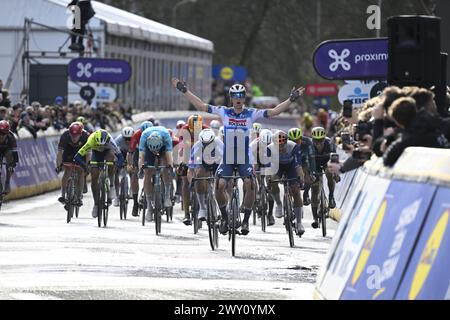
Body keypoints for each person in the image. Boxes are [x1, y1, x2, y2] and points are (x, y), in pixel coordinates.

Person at [172, 77, 305, 236]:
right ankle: (226, 218)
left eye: (241, 96)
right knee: (219, 186)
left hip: (244, 158)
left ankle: (245, 221)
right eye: (235, 96)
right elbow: (201, 105)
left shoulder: (251, 113)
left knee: (250, 184)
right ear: (231, 98)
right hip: (228, 158)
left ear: (244, 98)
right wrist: (184, 90)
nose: (238, 99)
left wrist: (291, 99)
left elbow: (274, 111)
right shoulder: (224, 111)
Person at [74, 129, 125, 217]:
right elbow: (77, 157)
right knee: (94, 179)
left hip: (107, 152)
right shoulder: (91, 140)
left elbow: (120, 157)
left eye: (103, 145)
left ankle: (111, 184)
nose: (101, 147)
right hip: (96, 154)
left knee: (111, 160)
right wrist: (85, 166)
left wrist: (117, 166)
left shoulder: (110, 141)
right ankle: (96, 204)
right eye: (99, 145)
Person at [267, 130, 305, 237]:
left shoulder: (293, 147)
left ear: (286, 142)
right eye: (278, 145)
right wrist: (269, 181)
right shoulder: (269, 149)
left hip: (291, 167)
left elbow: (298, 166)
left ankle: (299, 223)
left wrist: (301, 179)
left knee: (296, 191)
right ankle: (279, 204)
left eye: (282, 145)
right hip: (277, 167)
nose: (280, 148)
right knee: (273, 180)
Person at [176, 114, 209, 225]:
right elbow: (181, 149)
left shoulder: (206, 129)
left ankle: (205, 200)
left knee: (204, 175)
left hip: (203, 154)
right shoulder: (184, 130)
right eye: (192, 130)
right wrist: (183, 163)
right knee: (185, 182)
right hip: (188, 153)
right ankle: (186, 214)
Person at [138, 126, 173, 222]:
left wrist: (170, 167)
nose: (155, 151)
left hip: (163, 149)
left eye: (156, 149)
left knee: (166, 166)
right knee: (147, 173)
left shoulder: (166, 136)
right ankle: (149, 206)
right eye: (154, 150)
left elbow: (169, 156)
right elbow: (141, 157)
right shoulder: (144, 137)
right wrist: (141, 169)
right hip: (148, 150)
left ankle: (166, 196)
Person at [189, 128, 224, 221]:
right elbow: (191, 163)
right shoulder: (197, 145)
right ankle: (202, 207)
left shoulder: (219, 143)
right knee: (199, 174)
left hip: (217, 163)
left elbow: (226, 159)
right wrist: (192, 178)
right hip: (203, 163)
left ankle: (223, 205)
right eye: (204, 144)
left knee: (223, 181)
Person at [56, 122, 89, 207]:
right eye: (72, 135)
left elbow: (88, 154)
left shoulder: (86, 136)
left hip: (81, 151)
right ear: (69, 133)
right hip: (69, 150)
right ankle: (63, 194)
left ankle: (79, 196)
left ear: (80, 134)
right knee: (67, 170)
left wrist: (87, 166)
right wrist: (58, 165)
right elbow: (60, 153)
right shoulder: (65, 135)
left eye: (76, 136)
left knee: (81, 171)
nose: (74, 138)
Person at [310, 127, 337, 229]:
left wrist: (336, 174)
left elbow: (334, 159)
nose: (318, 143)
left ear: (324, 138)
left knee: (329, 172)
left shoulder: (329, 143)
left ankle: (331, 197)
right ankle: (315, 219)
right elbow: (307, 161)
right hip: (315, 164)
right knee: (315, 191)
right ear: (313, 139)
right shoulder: (310, 145)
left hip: (326, 163)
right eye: (316, 141)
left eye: (321, 140)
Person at [127, 121, 153, 216]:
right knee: (134, 174)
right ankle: (135, 203)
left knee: (152, 172)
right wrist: (130, 164)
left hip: (152, 151)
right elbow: (130, 152)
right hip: (139, 153)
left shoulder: (155, 134)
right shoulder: (136, 135)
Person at [249, 128, 275, 225]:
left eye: (268, 144)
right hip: (257, 162)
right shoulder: (255, 143)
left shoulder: (274, 145)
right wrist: (252, 168)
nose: (266, 146)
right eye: (264, 144)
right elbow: (249, 156)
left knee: (271, 184)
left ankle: (270, 214)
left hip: (268, 163)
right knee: (255, 179)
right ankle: (257, 196)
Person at [287, 128, 316, 206]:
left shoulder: (307, 141)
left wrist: (312, 172)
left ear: (301, 138)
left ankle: (305, 194)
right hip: (291, 160)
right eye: (293, 141)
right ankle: (289, 200)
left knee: (308, 175)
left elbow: (311, 157)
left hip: (303, 159)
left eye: (297, 141)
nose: (295, 143)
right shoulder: (285, 143)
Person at [112, 126, 134, 207]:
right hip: (121, 153)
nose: (128, 141)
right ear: (122, 137)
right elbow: (113, 152)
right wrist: (115, 163)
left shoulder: (135, 140)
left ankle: (132, 188)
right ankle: (116, 196)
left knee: (133, 169)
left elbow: (138, 154)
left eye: (129, 139)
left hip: (132, 153)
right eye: (126, 139)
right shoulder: (118, 140)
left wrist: (131, 164)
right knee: (116, 171)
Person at [0, 120, 18, 194]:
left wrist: (13, 164)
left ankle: (7, 183)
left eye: (3, 133)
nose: (1, 135)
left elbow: (15, 153)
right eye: (0, 133)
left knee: (10, 157)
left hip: (7, 150)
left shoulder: (11, 137)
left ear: (7, 132)